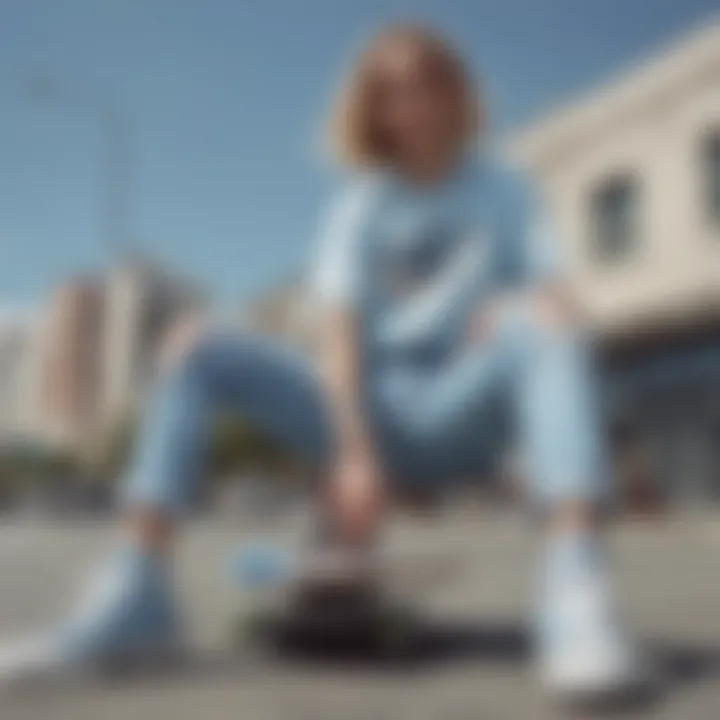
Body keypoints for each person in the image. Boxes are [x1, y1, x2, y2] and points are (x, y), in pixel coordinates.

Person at [0, 23, 641, 698]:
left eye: (427, 83)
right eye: (391, 92)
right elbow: (340, 335)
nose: (412, 103)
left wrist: (522, 303)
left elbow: (558, 289)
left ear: (457, 93)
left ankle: (577, 590)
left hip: (460, 409)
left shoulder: (505, 188)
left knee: (547, 325)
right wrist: (353, 453)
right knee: (197, 345)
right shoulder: (360, 205)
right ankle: (138, 593)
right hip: (368, 410)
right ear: (373, 111)